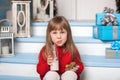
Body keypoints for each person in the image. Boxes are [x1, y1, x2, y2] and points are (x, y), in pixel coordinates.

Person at [36, 16, 84, 80]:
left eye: (62, 32)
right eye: (54, 33)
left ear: (68, 34)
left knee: (70, 75)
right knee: (51, 75)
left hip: (66, 76)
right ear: (49, 35)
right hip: (52, 76)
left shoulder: (72, 49)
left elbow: (80, 65)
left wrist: (76, 68)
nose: (59, 36)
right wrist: (47, 64)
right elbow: (39, 70)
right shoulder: (46, 50)